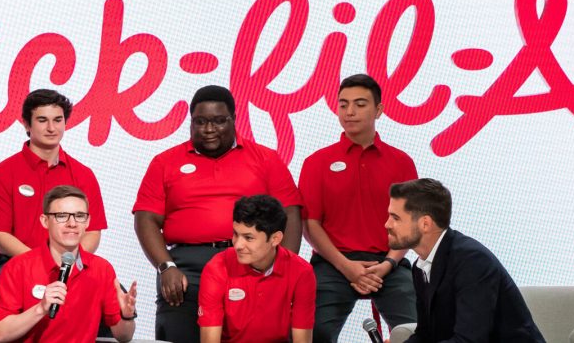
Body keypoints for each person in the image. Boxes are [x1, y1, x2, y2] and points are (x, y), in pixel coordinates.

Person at [134, 85, 303, 343]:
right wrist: (166, 267)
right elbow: (145, 219)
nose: (209, 129)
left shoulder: (266, 159)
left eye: (218, 121)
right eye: (200, 122)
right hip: (186, 267)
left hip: (251, 261)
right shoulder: (164, 162)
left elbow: (290, 213)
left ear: (234, 120)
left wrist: (282, 266)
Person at [299, 74, 419, 342]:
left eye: (360, 104)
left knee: (417, 330)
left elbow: (410, 225)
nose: (349, 111)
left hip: (389, 263)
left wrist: (388, 263)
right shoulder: (316, 162)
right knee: (310, 333)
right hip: (333, 263)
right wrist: (346, 266)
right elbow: (310, 225)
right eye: (343, 104)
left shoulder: (401, 162)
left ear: (378, 110)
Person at [386, 179, 544, 343]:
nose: (387, 224)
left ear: (425, 223)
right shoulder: (420, 267)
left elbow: (470, 340)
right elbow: (425, 335)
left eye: (395, 218)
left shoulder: (472, 261)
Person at [0, 89, 107, 285]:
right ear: (26, 124)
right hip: (17, 262)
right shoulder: (3, 173)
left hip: (71, 263)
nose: (51, 128)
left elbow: (92, 232)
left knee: (114, 299)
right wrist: (41, 262)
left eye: (58, 120)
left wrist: (67, 262)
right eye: (42, 120)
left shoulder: (84, 175)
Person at [0, 185, 138, 343]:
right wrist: (40, 309)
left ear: (88, 221)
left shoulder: (102, 269)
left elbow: (124, 337)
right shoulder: (17, 267)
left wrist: (127, 317)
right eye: (62, 216)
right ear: (45, 221)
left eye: (79, 216)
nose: (72, 223)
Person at [198, 194, 316, 343]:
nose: (238, 244)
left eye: (249, 238)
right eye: (236, 234)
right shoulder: (216, 268)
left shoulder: (302, 272)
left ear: (275, 239)